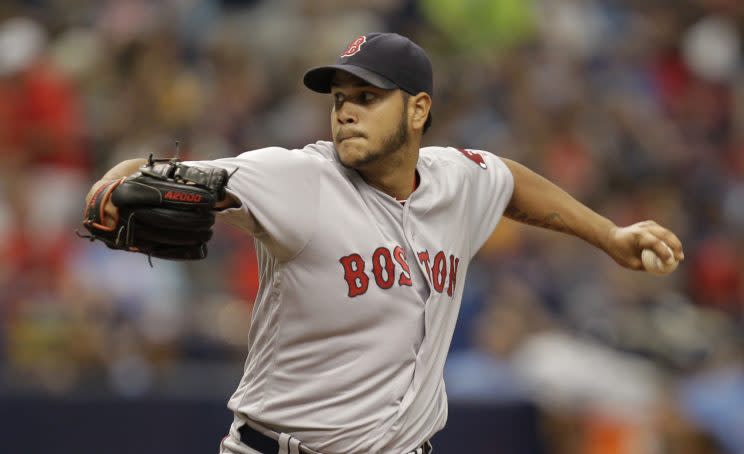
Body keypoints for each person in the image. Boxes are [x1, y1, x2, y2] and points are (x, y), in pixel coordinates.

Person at [85, 33, 684, 454]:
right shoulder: (297, 178)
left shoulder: (455, 178)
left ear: (418, 108)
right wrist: (113, 186)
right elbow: (166, 173)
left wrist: (609, 235)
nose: (345, 112)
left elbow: (510, 181)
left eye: (367, 98)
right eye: (339, 100)